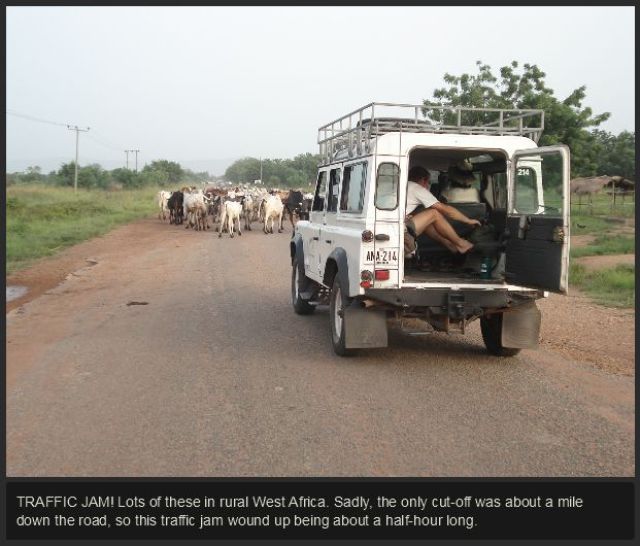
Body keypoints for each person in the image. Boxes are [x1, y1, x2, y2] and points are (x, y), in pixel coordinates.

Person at [405, 166, 480, 254]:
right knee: (434, 214)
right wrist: (468, 220)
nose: (427, 186)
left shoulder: (403, 186)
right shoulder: (416, 188)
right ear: (423, 179)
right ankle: (461, 244)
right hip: (401, 233)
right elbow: (446, 210)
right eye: (428, 182)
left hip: (393, 227)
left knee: (425, 217)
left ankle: (449, 244)